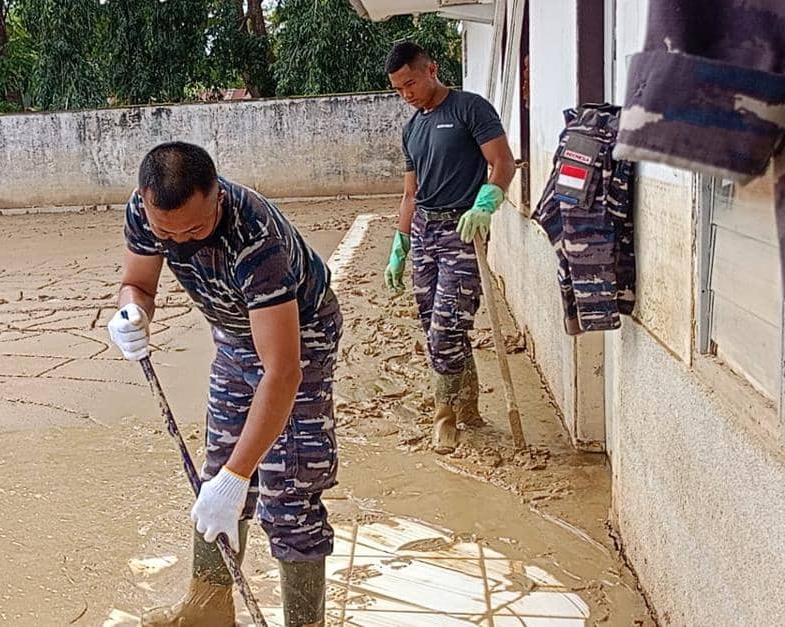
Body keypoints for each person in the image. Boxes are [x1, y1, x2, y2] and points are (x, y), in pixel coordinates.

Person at [108, 141, 341, 627]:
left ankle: (305, 623)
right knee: (217, 472)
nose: (181, 241)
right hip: (235, 333)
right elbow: (140, 283)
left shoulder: (255, 237)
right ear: (146, 202)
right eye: (167, 232)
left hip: (301, 333)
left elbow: (283, 371)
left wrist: (239, 479)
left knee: (290, 489)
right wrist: (132, 312)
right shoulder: (145, 211)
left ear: (217, 196)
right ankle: (208, 611)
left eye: (195, 229)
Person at [384, 41, 516, 454]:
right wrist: (400, 244)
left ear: (431, 70)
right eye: (398, 89)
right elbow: (411, 192)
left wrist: (486, 203)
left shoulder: (469, 109)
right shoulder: (412, 129)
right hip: (424, 230)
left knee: (445, 329)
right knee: (435, 326)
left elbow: (503, 163)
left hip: (463, 229)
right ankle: (468, 407)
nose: (406, 94)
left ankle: (445, 418)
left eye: (410, 84)